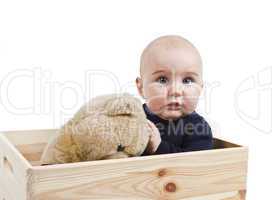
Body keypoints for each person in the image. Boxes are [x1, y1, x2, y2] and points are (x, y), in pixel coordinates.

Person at [135, 35, 213, 155]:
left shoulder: (199, 129)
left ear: (200, 89)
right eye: (162, 80)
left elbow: (195, 166)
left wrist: (159, 146)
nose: (175, 91)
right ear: (141, 88)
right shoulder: (134, 118)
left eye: (187, 80)